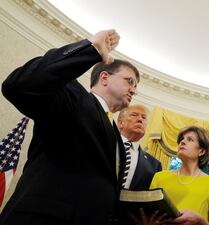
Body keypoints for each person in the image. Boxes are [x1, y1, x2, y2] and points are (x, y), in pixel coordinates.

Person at [0, 29, 140, 225]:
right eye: (130, 81)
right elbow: (19, 85)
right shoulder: (74, 96)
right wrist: (91, 49)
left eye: (136, 86)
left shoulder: (117, 135)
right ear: (105, 77)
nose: (134, 89)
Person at [133, 126, 209, 225]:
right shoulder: (159, 177)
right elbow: (148, 215)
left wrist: (201, 221)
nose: (182, 142)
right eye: (181, 139)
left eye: (190, 139)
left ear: (201, 151)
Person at [118, 104, 162, 190]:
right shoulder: (103, 144)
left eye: (144, 117)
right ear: (120, 123)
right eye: (134, 115)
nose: (140, 119)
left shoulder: (154, 165)